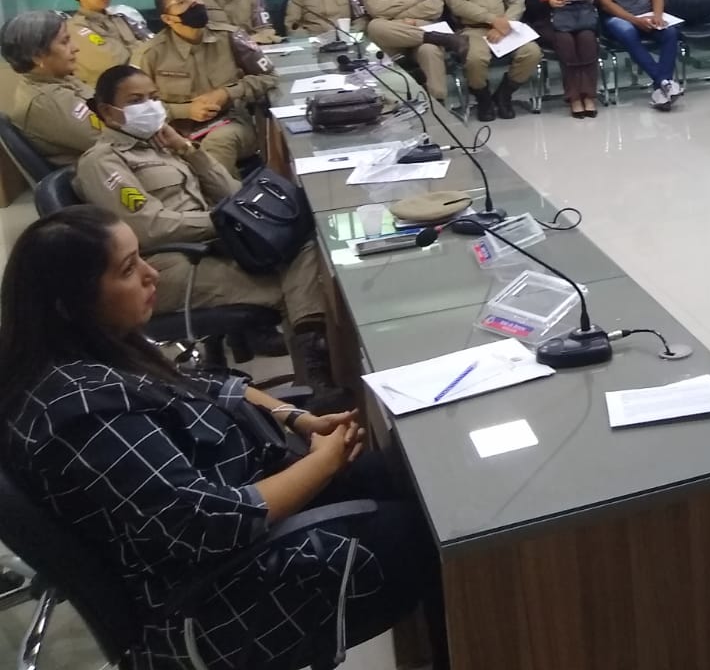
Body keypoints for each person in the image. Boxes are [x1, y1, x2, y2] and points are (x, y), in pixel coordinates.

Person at [0, 205, 447, 670]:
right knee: (423, 533)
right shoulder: (85, 415)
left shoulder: (91, 346)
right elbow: (211, 522)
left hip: (225, 529)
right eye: (129, 269)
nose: (152, 275)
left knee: (407, 475)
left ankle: (446, 637)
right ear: (70, 303)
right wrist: (323, 462)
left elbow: (200, 384)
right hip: (208, 603)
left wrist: (294, 417)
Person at [74, 64, 343, 404]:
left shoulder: (161, 143)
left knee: (302, 242)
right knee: (295, 289)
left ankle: (315, 371)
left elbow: (232, 191)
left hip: (209, 248)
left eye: (154, 97)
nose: (149, 106)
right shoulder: (103, 162)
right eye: (136, 100)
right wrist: (225, 221)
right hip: (164, 266)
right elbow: (149, 227)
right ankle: (316, 384)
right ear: (109, 111)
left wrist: (189, 151)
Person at [138, 0, 277, 176]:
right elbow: (138, 108)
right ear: (168, 19)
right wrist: (185, 110)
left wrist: (227, 93)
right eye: (181, 1)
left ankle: (225, 195)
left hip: (231, 122)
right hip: (175, 131)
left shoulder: (230, 36)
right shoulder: (150, 54)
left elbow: (269, 76)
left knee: (217, 144)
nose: (194, 3)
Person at [442, 0, 541, 121]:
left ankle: (504, 95)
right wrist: (494, 20)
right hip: (472, 30)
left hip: (506, 27)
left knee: (532, 53)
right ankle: (483, 99)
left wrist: (505, 23)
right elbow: (458, 5)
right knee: (475, 59)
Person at [363, 0, 462, 103]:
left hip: (418, 39)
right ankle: (438, 38)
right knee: (374, 26)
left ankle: (438, 103)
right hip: (392, 43)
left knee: (430, 49)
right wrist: (415, 3)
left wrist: (396, 18)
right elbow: (375, 9)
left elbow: (435, 7)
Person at [2, 10, 101, 167]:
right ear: (37, 56)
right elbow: (113, 140)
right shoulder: (46, 101)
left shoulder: (60, 79)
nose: (75, 48)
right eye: (64, 42)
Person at [525, 0, 600, 119]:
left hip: (579, 19)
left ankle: (588, 95)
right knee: (565, 40)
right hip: (548, 21)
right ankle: (574, 97)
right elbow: (529, 7)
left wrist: (588, 0)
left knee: (587, 38)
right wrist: (549, 3)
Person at [66, 0, 152, 87]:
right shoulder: (76, 27)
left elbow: (151, 45)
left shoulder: (119, 18)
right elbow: (112, 64)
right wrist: (142, 51)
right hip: (107, 92)